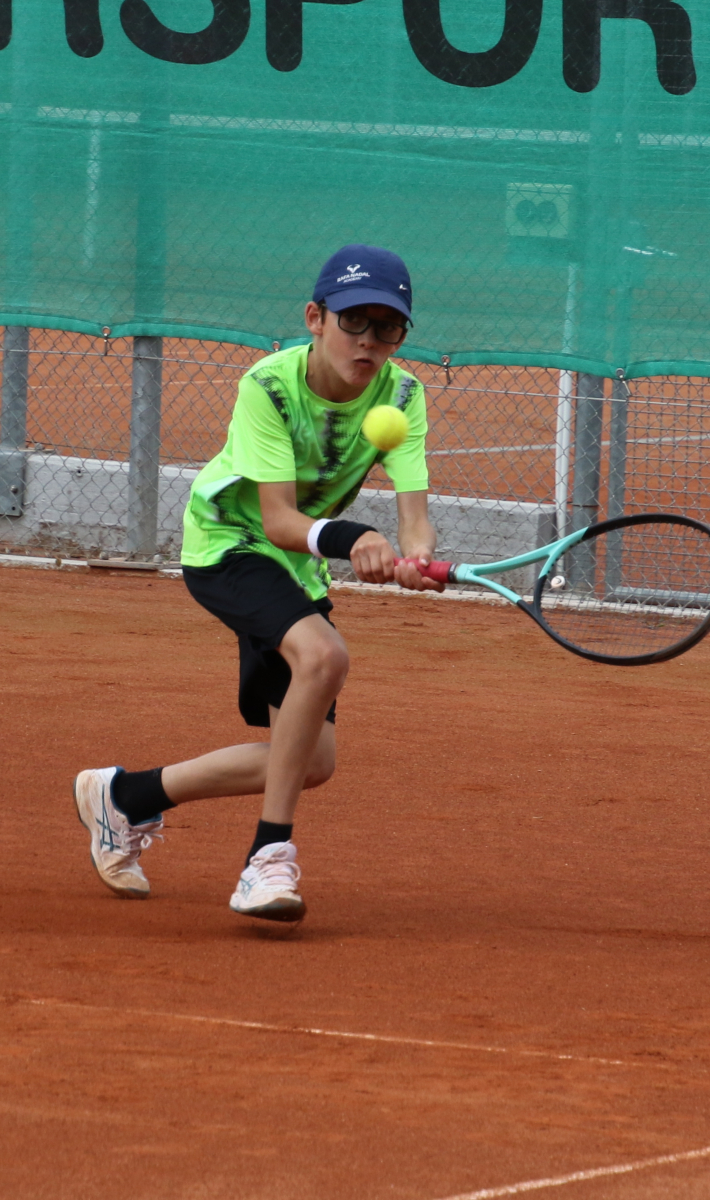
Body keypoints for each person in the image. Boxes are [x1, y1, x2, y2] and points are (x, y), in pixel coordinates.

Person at [74, 244, 443, 922]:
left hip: (294, 566)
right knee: (324, 656)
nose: (368, 340)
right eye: (353, 321)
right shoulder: (268, 386)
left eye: (388, 326)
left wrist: (417, 558)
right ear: (315, 318)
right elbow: (277, 520)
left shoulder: (403, 395)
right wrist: (353, 539)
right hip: (228, 545)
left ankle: (125, 796)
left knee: (312, 761)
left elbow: (415, 519)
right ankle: (267, 858)